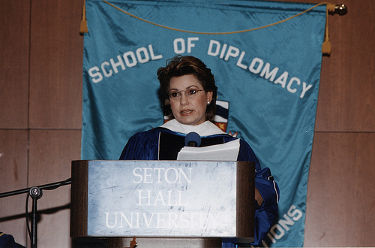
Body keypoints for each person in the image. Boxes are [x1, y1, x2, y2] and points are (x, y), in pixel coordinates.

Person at [119, 56, 279, 247]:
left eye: (192, 92)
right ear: (168, 101)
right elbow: (120, 197)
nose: (184, 101)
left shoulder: (234, 147)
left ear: (209, 96)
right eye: (175, 94)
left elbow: (264, 196)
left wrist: (244, 193)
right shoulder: (145, 143)